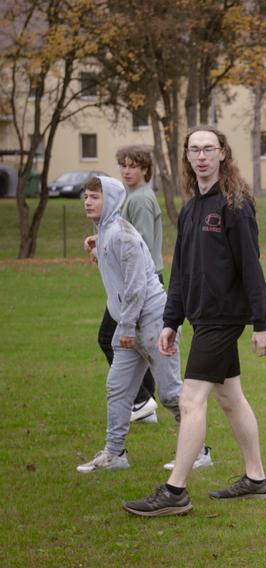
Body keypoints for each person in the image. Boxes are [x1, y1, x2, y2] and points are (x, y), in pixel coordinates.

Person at [123, 125, 266, 517]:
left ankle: (176, 491)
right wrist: (171, 320)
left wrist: (261, 323)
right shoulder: (191, 208)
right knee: (230, 397)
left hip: (224, 318)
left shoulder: (235, 203)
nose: (202, 156)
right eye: (195, 150)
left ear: (223, 153)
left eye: (209, 148)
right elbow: (182, 271)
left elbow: (250, 266)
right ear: (187, 157)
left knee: (191, 400)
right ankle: (257, 480)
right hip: (201, 317)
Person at [76, 176, 182, 473]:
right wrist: (95, 247)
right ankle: (115, 454)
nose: (88, 202)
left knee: (171, 393)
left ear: (110, 200)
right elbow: (118, 266)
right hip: (130, 324)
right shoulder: (108, 232)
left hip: (152, 322)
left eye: (95, 197)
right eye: (85, 196)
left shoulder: (122, 234)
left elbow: (136, 286)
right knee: (118, 388)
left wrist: (124, 328)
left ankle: (199, 451)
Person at [85, 145, 163, 424]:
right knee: (140, 347)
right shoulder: (132, 197)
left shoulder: (140, 199)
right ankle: (145, 406)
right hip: (138, 282)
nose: (127, 171)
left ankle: (142, 400)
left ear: (145, 170)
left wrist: (103, 250)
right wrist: (99, 242)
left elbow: (134, 244)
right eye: (123, 165)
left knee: (109, 337)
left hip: (141, 284)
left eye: (133, 166)